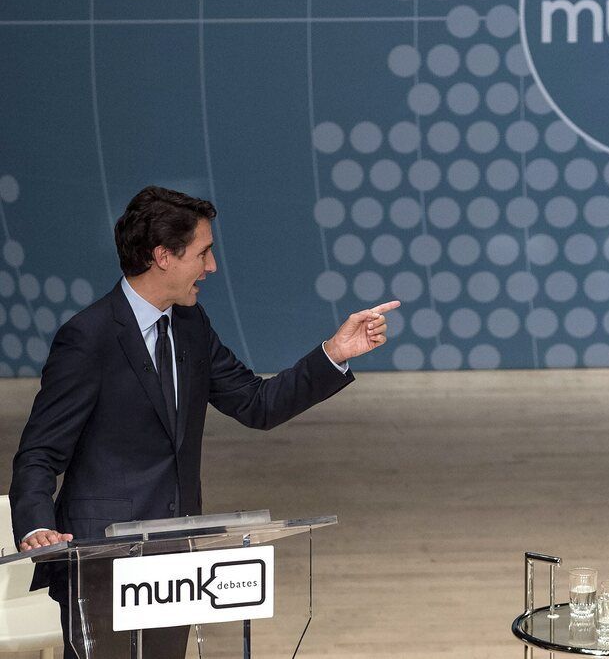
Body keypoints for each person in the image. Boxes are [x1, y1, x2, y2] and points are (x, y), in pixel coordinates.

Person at [8, 186, 400, 657]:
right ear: (163, 256)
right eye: (203, 252)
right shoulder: (88, 337)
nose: (211, 268)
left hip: (175, 560)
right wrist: (35, 526)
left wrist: (334, 354)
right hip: (102, 562)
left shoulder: (191, 326)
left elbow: (258, 404)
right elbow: (39, 452)